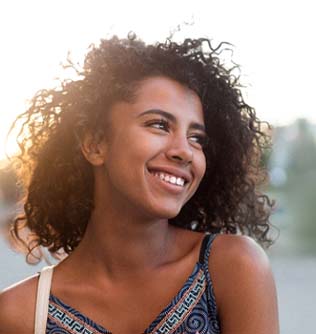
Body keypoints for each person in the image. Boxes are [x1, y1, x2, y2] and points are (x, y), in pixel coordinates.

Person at [0, 34, 279, 334]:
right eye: (159, 124)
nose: (184, 151)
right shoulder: (20, 314)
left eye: (196, 138)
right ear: (95, 143)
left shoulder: (233, 268)